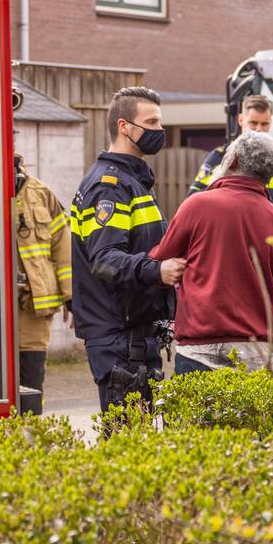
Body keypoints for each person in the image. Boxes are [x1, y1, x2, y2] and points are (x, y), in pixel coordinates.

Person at [151, 131, 273, 374]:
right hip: (257, 351)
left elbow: (160, 263)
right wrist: (271, 343)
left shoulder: (196, 206)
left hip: (198, 347)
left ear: (233, 160)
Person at [70, 86, 186, 412]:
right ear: (125, 127)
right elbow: (105, 259)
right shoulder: (110, 187)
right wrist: (158, 270)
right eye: (151, 122)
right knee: (126, 437)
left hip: (134, 334)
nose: (159, 131)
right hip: (120, 338)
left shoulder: (132, 182)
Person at [187, 94, 273, 210]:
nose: (259, 129)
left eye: (264, 124)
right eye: (253, 123)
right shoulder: (221, 157)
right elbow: (194, 198)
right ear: (241, 120)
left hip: (271, 234)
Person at [14, 153, 73, 394]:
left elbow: (63, 249)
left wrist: (71, 297)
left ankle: (28, 430)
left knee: (31, 380)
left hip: (32, 308)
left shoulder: (40, 193)